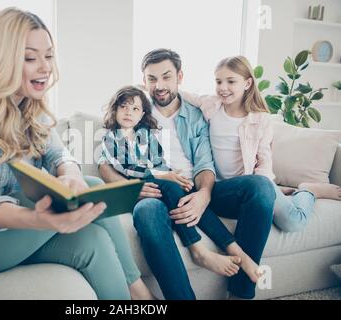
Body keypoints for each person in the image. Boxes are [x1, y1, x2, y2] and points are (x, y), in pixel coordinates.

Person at [0, 7, 154, 300]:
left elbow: (61, 157)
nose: (45, 67)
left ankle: (137, 298)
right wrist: (43, 220)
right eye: (30, 58)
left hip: (3, 231)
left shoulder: (32, 107)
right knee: (96, 186)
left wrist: (70, 176)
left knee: (93, 240)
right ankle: (144, 295)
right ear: (2, 60)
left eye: (48, 56)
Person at [99, 49, 276, 300]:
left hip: (195, 187)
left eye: (166, 77)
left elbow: (205, 163)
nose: (159, 85)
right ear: (143, 80)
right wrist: (132, 189)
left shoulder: (196, 114)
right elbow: (104, 163)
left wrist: (204, 194)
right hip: (156, 191)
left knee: (261, 188)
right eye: (151, 78)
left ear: (180, 76)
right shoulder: (135, 110)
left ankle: (239, 293)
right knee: (147, 212)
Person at [99, 85, 259, 279]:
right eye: (123, 107)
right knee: (172, 185)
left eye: (135, 109)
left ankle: (234, 249)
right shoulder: (110, 137)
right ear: (114, 109)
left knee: (188, 193)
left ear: (142, 114)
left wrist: (172, 174)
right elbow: (127, 167)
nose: (128, 112)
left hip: (161, 182)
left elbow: (159, 161)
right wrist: (161, 176)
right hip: (140, 186)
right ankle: (198, 249)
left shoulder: (147, 134)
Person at [180, 55, 341, 233]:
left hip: (253, 184)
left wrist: (264, 191)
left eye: (231, 81)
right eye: (219, 82)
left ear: (247, 83)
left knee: (293, 222)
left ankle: (308, 191)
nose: (223, 88)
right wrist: (148, 88)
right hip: (224, 187)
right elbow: (186, 96)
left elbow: (264, 160)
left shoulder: (259, 119)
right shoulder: (211, 105)